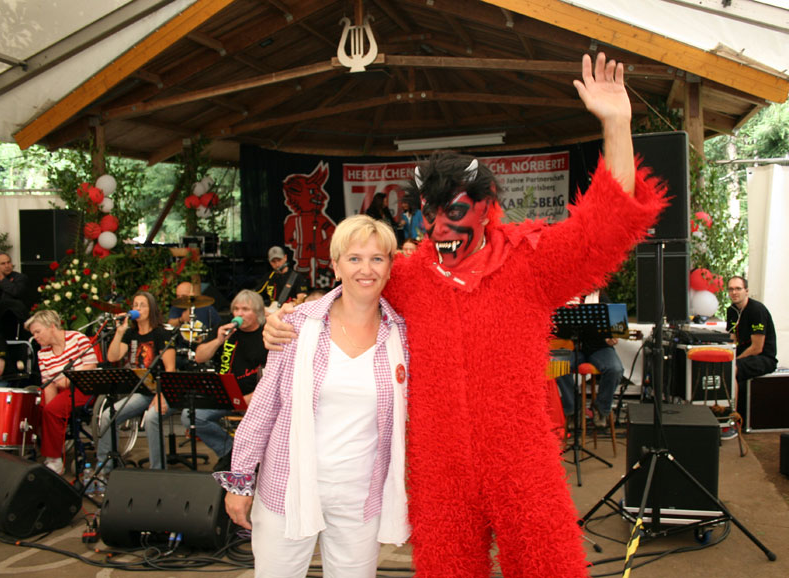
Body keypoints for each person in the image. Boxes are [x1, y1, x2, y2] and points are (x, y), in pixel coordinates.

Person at [264, 53, 668, 576]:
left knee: (550, 567)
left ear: (484, 208)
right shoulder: (408, 276)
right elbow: (355, 288)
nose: (439, 230)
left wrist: (616, 124)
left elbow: (605, 224)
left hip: (521, 455)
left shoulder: (530, 262)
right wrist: (289, 320)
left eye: (454, 213)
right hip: (439, 465)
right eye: (429, 216)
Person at [215, 215, 409, 577]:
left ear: (390, 267)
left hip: (361, 497)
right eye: (354, 258)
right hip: (287, 488)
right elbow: (263, 409)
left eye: (377, 258)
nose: (365, 269)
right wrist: (239, 482)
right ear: (335, 265)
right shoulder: (296, 325)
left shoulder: (403, 336)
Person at [158, 289, 268, 468]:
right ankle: (229, 451)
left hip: (251, 397)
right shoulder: (224, 329)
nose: (239, 314)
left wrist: (252, 398)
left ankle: (241, 460)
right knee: (190, 416)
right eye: (236, 309)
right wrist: (218, 341)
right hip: (221, 393)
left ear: (257, 313)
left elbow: (271, 377)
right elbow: (199, 357)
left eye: (245, 309)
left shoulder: (264, 336)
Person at [97, 291, 176, 471]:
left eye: (142, 305)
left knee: (151, 418)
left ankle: (158, 470)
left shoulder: (161, 333)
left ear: (151, 309)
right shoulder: (130, 334)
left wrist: (160, 395)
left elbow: (170, 368)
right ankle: (105, 468)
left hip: (162, 390)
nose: (138, 308)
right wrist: (119, 333)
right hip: (141, 391)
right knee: (108, 416)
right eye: (135, 305)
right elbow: (112, 357)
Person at [25, 310, 98, 474]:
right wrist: (48, 407)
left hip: (83, 386)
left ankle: (54, 459)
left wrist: (68, 380)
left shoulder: (77, 338)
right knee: (38, 406)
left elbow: (90, 366)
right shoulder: (42, 353)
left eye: (38, 332)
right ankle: (40, 447)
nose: (35, 337)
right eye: (33, 333)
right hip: (59, 389)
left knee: (52, 410)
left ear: (51, 326)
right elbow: (48, 383)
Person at [555, 290, 624, 428]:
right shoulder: (563, 295)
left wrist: (614, 336)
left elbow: (618, 325)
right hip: (571, 348)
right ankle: (573, 409)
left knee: (615, 369)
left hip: (599, 348)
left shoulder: (602, 297)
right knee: (556, 364)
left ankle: (600, 409)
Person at [726, 275, 777, 397]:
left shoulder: (756, 310)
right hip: (744, 356)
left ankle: (733, 413)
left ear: (746, 291)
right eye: (731, 289)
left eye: (738, 288)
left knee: (732, 369)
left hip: (763, 358)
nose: (734, 292)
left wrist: (734, 361)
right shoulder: (731, 310)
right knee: (722, 366)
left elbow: (757, 348)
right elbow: (732, 340)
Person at [0, 252, 31, 338]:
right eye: (3, 263)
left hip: (11, 321)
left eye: (9, 262)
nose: (7, 265)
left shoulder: (20, 278)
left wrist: (2, 278)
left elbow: (16, 292)